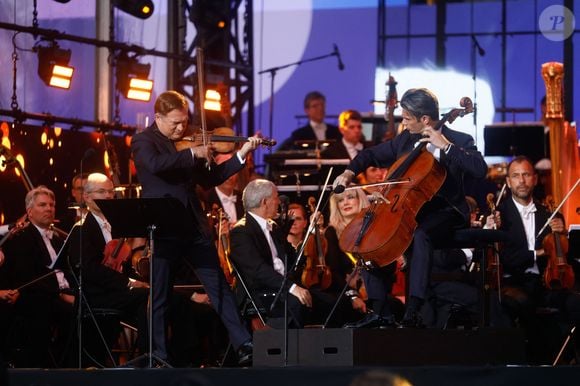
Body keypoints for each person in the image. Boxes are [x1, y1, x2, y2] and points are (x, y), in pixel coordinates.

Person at [333, 88, 488, 327]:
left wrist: (445, 146)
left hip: (447, 211)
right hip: (410, 208)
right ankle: (379, 311)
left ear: (424, 119)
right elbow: (372, 154)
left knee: (420, 234)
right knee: (372, 235)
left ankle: (413, 308)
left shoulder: (459, 139)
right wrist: (348, 172)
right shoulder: (406, 140)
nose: (403, 123)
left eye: (406, 118)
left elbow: (479, 169)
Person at [130, 90, 260, 366]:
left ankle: (244, 345)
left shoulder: (190, 143)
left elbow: (211, 178)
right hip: (163, 225)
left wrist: (241, 155)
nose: (181, 128)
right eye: (175, 123)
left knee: (218, 287)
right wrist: (192, 153)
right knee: (161, 293)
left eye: (184, 122)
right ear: (158, 118)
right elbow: (155, 165)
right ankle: (158, 355)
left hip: (192, 226)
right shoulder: (143, 141)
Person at [490, 156, 580, 363]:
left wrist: (562, 233)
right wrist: (538, 253)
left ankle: (568, 360)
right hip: (513, 282)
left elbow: (562, 254)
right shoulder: (499, 215)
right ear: (508, 182)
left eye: (526, 175)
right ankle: (537, 362)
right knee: (524, 303)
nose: (521, 180)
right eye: (516, 176)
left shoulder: (549, 213)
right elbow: (507, 257)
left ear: (535, 179)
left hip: (546, 283)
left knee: (576, 303)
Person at [66, 173, 149, 362]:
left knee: (158, 296)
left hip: (114, 292)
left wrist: (138, 279)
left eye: (111, 191)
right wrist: (127, 282)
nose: (109, 196)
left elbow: (122, 265)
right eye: (102, 191)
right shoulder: (81, 228)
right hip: (96, 295)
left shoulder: (116, 226)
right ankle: (146, 356)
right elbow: (88, 269)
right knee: (147, 298)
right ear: (86, 197)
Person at [2, 186, 75, 367]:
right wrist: (61, 295)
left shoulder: (58, 238)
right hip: (39, 295)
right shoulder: (21, 238)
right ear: (30, 212)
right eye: (42, 205)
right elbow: (27, 277)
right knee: (69, 314)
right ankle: (60, 365)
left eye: (51, 205)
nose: (49, 209)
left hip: (66, 292)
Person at [229, 179, 314, 328]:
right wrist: (292, 287)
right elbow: (258, 271)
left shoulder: (273, 227)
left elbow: (291, 262)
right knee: (297, 303)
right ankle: (293, 349)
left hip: (283, 286)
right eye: (276, 198)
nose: (279, 202)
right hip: (262, 292)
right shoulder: (241, 231)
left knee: (330, 301)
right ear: (265, 202)